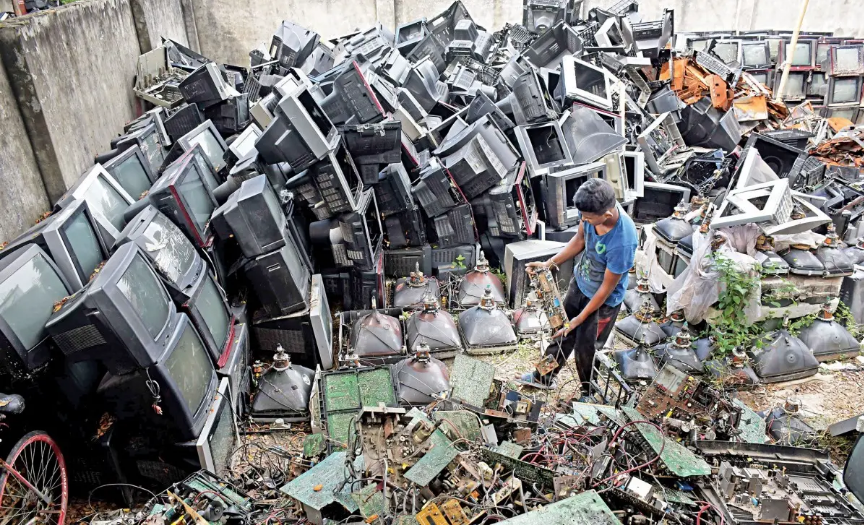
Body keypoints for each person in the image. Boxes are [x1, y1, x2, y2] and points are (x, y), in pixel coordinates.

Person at [517, 178, 638, 399]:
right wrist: (549, 264)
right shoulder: (591, 212)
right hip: (579, 285)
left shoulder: (623, 241)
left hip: (603, 303)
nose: (583, 220)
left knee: (587, 349)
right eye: (582, 216)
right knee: (561, 334)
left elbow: (606, 289)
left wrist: (580, 319)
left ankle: (588, 392)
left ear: (607, 215)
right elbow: (579, 240)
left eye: (588, 219)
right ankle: (543, 377)